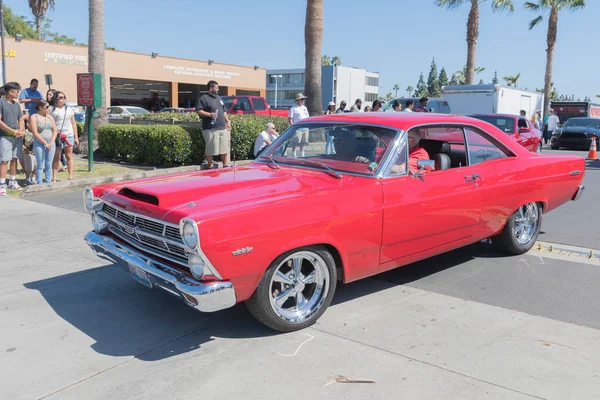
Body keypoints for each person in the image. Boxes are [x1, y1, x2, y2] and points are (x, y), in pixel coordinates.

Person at [196, 80, 232, 169]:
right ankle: (210, 165)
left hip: (222, 127)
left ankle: (225, 165)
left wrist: (227, 120)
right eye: (216, 88)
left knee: (224, 148)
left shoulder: (219, 98)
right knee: (211, 148)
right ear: (210, 88)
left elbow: (223, 111)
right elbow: (198, 111)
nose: (218, 89)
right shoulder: (203, 99)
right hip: (210, 128)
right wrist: (210, 114)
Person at [0, 82, 25, 195]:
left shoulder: (16, 104)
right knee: (4, 160)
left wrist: (20, 130)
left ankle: (12, 181)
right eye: (16, 91)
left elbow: (20, 119)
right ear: (10, 92)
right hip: (5, 136)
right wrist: (12, 131)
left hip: (16, 136)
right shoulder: (1, 102)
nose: (17, 93)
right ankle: (2, 184)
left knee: (14, 158)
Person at [50, 91, 79, 181]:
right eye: (60, 97)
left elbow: (73, 124)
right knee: (56, 157)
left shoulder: (69, 109)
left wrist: (76, 137)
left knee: (69, 156)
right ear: (55, 99)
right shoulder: (51, 109)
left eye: (64, 97)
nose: (62, 99)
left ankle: (70, 176)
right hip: (57, 135)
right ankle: (54, 177)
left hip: (68, 135)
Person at [29, 100, 58, 184]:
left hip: (51, 142)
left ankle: (48, 181)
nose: (48, 109)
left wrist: (52, 142)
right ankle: (39, 182)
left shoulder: (49, 117)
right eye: (46, 107)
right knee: (40, 163)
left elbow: (54, 130)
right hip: (39, 142)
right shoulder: (34, 117)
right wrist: (45, 143)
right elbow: (35, 133)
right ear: (40, 107)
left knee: (49, 163)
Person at [288, 93, 310, 157]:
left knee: (303, 142)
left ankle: (302, 155)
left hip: (305, 127)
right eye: (301, 99)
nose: (303, 100)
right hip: (298, 128)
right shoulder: (293, 108)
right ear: (298, 100)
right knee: (295, 142)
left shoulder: (304, 108)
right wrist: (293, 127)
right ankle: (294, 155)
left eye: (303, 99)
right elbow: (290, 118)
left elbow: (308, 117)